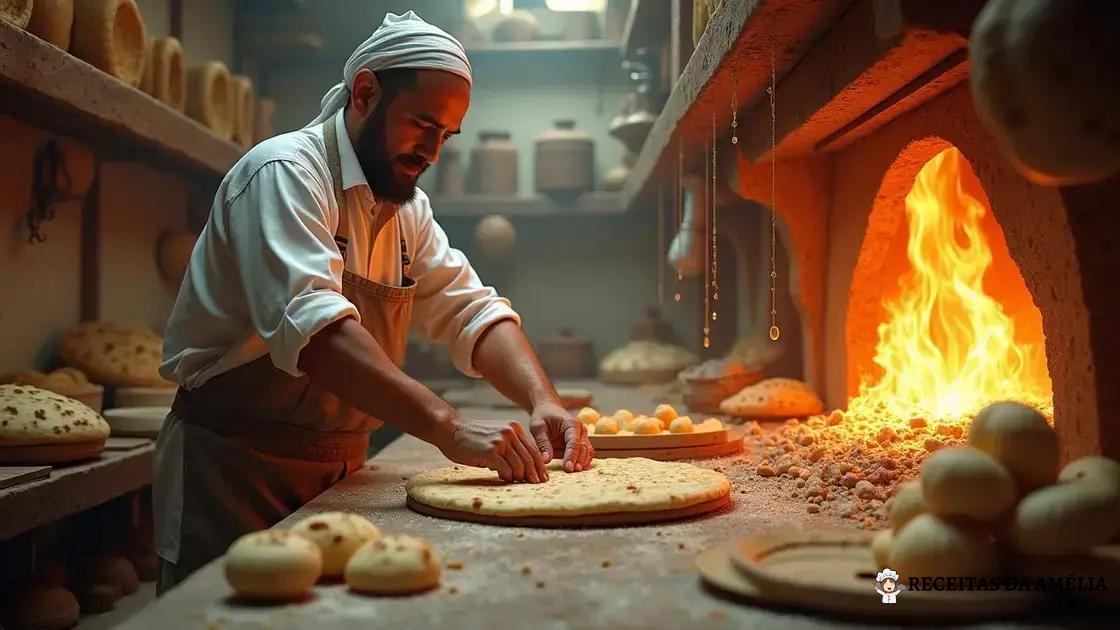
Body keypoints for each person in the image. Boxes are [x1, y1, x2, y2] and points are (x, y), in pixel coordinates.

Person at [152, 11, 593, 592]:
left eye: (447, 135)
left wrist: (543, 400)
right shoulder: (284, 173)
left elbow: (470, 309)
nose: (433, 151)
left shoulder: (406, 209)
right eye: (422, 125)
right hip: (235, 471)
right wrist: (449, 426)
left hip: (341, 474)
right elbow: (317, 332)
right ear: (364, 93)